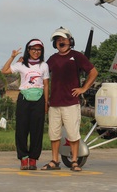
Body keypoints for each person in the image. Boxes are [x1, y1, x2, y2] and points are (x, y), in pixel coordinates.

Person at [42, 27, 98, 172]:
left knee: (73, 133)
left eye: (63, 39)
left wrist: (83, 88)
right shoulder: (53, 59)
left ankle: (74, 161)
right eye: (57, 40)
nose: (60, 42)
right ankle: (55, 160)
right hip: (54, 102)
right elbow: (43, 75)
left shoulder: (77, 56)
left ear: (70, 41)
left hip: (71, 102)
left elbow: (93, 72)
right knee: (54, 134)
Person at [1, 38, 50, 170]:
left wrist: (46, 103)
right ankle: (23, 158)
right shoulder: (22, 64)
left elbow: (46, 85)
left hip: (39, 99)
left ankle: (33, 159)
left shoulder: (44, 66)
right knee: (22, 129)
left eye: (39, 50)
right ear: (28, 50)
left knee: (37, 130)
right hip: (24, 98)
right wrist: (12, 57)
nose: (36, 52)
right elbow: (4, 71)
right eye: (33, 49)